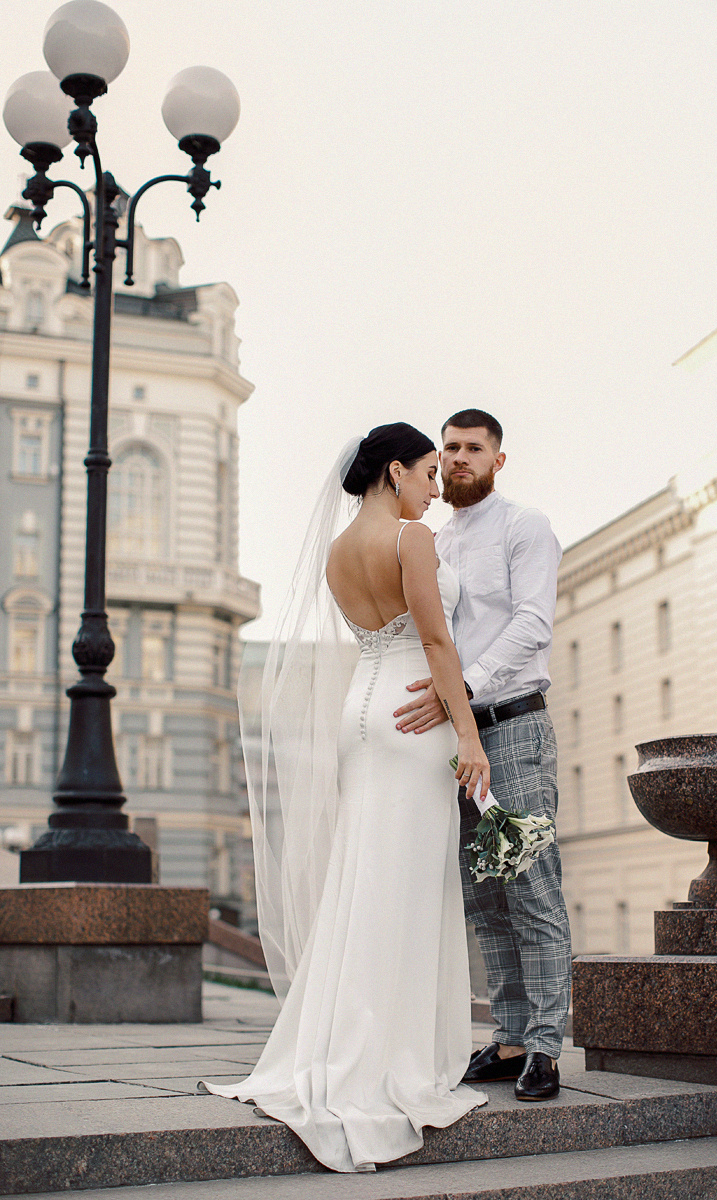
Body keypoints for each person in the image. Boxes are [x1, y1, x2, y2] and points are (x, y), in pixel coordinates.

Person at [202, 423, 489, 1173]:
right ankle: (388, 1058)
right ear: (394, 472)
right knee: (407, 888)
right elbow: (434, 643)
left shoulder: (335, 553)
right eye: (428, 472)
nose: (435, 488)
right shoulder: (411, 541)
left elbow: (377, 634)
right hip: (411, 716)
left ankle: (338, 1045)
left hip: (359, 716)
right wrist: (468, 735)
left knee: (363, 879)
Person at [394, 408, 572, 1102]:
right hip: (456, 736)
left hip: (514, 726)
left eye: (473, 448)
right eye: (450, 450)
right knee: (485, 895)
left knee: (532, 885)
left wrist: (460, 690)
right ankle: (507, 1037)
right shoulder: (435, 539)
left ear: (499, 458)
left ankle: (547, 1048)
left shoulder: (525, 526)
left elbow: (533, 623)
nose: (459, 459)